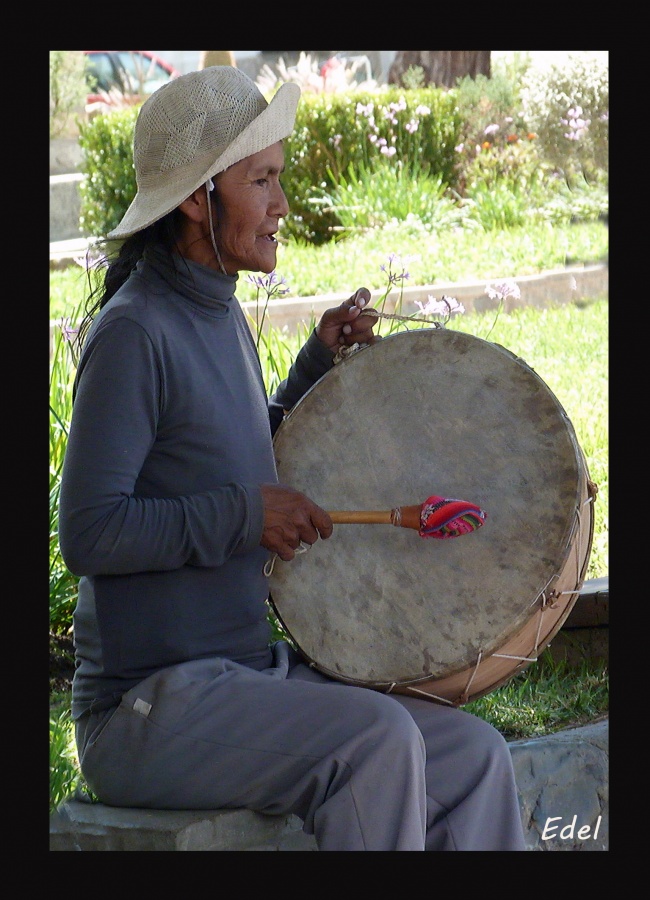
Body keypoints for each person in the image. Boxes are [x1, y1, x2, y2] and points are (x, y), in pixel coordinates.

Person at [58, 65, 526, 852]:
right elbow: (89, 531)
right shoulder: (136, 333)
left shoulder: (220, 314)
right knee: (375, 743)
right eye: (262, 181)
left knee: (473, 756)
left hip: (244, 677)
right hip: (146, 710)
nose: (281, 204)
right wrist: (245, 517)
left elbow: (223, 457)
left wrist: (310, 369)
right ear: (196, 201)